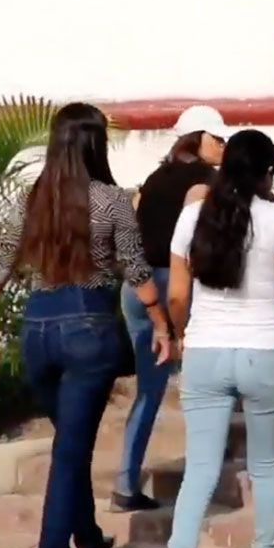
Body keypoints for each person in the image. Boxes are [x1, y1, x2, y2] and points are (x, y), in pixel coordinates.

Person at [0, 103, 171, 548]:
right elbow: (136, 271)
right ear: (96, 144)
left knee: (69, 446)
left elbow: (1, 265)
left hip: (37, 332)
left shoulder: (31, 199)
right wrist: (161, 324)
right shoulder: (112, 199)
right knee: (69, 454)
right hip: (88, 330)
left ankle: (89, 538)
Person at [165, 130, 274, 548]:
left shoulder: (192, 217)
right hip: (262, 350)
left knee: (200, 469)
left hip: (205, 350)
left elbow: (177, 296)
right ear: (266, 174)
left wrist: (181, 334)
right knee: (265, 466)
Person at [111, 105, 229, 512]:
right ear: (197, 139)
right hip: (169, 283)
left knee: (151, 388)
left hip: (135, 286)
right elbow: (196, 239)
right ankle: (202, 476)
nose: (223, 146)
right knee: (192, 381)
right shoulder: (205, 182)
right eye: (217, 138)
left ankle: (127, 482)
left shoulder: (155, 177)